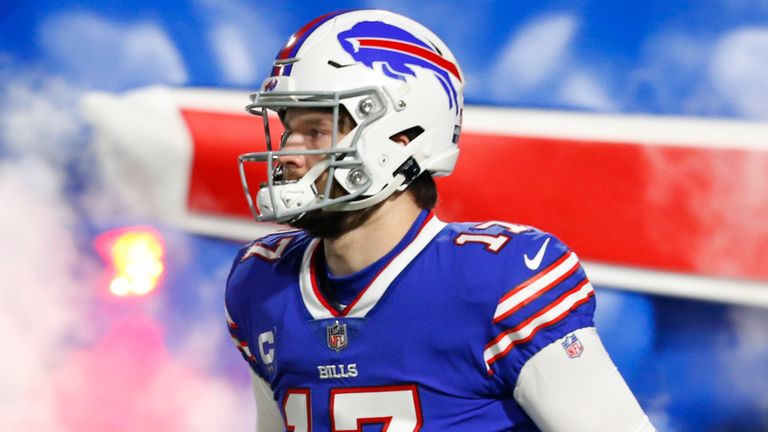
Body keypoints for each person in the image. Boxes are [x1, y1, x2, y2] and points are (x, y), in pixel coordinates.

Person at [225, 9, 654, 431]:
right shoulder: (263, 283)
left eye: (317, 131)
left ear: (402, 136)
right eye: (288, 130)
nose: (288, 155)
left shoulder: (496, 283)